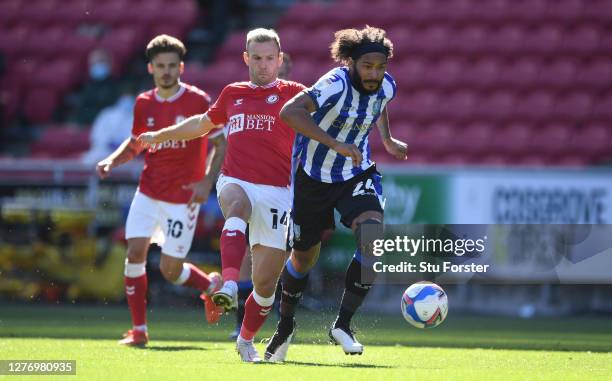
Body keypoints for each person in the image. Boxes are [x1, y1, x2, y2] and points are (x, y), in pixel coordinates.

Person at [137, 28, 306, 362]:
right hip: (235, 179)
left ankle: (245, 340)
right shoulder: (233, 94)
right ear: (246, 58)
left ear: (280, 59)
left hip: (278, 192)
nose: (263, 65)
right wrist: (160, 134)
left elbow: (331, 117)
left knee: (266, 285)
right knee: (236, 207)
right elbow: (201, 123)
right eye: (256, 58)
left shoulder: (297, 95)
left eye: (270, 58)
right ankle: (228, 284)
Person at [265, 26, 408, 361]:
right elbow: (289, 112)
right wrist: (334, 143)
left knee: (373, 237)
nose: (374, 74)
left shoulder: (387, 86)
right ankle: (285, 327)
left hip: (356, 173)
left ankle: (342, 324)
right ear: (351, 62)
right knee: (303, 259)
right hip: (313, 178)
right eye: (367, 66)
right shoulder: (335, 83)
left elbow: (379, 104)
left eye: (380, 67)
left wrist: (386, 139)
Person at [95, 34, 227, 347]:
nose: (166, 71)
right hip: (148, 191)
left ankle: (210, 285)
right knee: (134, 253)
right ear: (151, 68)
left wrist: (207, 181)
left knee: (170, 270)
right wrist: (111, 162)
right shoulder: (144, 103)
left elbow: (219, 143)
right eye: (160, 66)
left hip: (182, 198)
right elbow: (136, 143)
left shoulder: (197, 100)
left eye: (171, 65)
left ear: (180, 67)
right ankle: (139, 330)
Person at [229, 51, 294, 340]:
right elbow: (223, 144)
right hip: (245, 185)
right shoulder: (239, 101)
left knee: (277, 261)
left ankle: (279, 317)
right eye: (260, 61)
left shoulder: (297, 106)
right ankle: (239, 322)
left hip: (284, 192)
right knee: (244, 255)